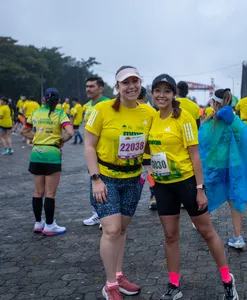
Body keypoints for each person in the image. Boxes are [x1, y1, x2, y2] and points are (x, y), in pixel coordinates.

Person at [148, 74, 238, 300]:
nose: (161, 95)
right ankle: (174, 284)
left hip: (187, 182)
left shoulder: (184, 118)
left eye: (166, 91)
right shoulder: (151, 118)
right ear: (152, 93)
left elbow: (195, 155)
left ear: (173, 94)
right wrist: (148, 175)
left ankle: (228, 281)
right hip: (163, 185)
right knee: (170, 235)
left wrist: (200, 188)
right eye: (157, 91)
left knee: (206, 232)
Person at [84, 66, 155, 300]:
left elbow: (150, 145)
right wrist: (96, 179)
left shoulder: (148, 113)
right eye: (126, 82)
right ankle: (111, 284)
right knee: (111, 229)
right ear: (118, 86)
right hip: (105, 178)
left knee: (122, 229)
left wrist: (151, 170)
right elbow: (89, 146)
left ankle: (118, 273)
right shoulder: (102, 109)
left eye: (135, 81)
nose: (131, 86)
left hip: (134, 179)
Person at [199, 89, 247, 249]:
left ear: (215, 103)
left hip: (215, 167)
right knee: (235, 201)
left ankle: (203, 228)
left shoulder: (209, 123)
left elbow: (202, 146)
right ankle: (237, 237)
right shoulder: (236, 122)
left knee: (205, 197)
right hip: (234, 167)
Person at [21, 88, 74, 235]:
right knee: (50, 193)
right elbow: (70, 132)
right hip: (52, 154)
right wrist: (60, 140)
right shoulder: (60, 113)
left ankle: (38, 223)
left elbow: (24, 131)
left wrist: (38, 137)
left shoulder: (36, 112)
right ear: (58, 101)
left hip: (36, 154)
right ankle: (50, 226)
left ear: (44, 99)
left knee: (38, 192)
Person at [82, 76, 110, 226]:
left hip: (105, 152)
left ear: (100, 88)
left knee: (105, 183)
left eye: (92, 86)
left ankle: (105, 215)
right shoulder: (87, 106)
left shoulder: (107, 104)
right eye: (87, 86)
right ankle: (97, 213)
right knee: (93, 182)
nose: (88, 89)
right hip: (91, 151)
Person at [137, 87, 157, 210]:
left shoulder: (128, 110)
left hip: (130, 152)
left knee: (136, 175)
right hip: (148, 151)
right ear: (144, 96)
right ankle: (154, 197)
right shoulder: (152, 111)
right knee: (150, 173)